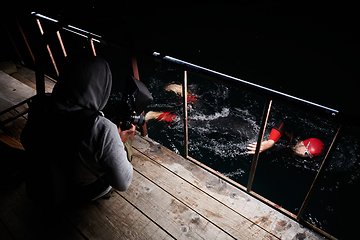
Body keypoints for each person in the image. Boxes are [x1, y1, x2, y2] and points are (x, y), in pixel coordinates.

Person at [21, 55, 134, 207]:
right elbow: (123, 183)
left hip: (43, 180)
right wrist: (119, 141)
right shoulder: (103, 129)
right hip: (79, 192)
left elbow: (25, 138)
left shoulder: (39, 104)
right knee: (126, 147)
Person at [247, 120, 324, 158]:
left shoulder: (292, 152)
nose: (304, 156)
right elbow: (281, 123)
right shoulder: (291, 137)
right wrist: (270, 142)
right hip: (251, 131)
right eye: (306, 153)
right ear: (303, 144)